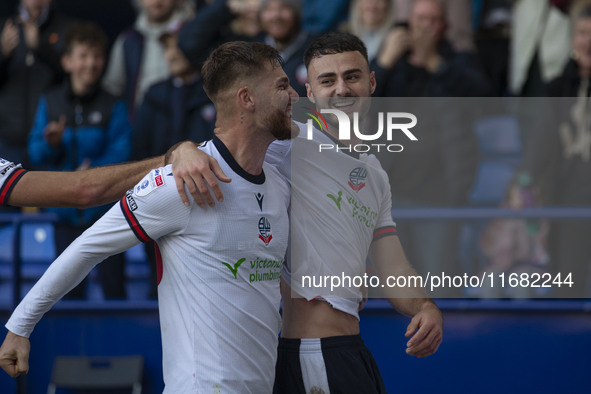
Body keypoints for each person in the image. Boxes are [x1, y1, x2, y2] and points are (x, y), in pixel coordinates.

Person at [0, 41, 296, 393]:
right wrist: (20, 326)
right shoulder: (180, 184)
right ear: (246, 99)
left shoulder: (278, 182)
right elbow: (87, 247)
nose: (295, 94)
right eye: (282, 85)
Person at [172, 32, 443, 393]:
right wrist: (181, 149)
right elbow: (221, 146)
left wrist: (424, 306)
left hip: (352, 351)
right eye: (327, 81)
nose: (341, 90)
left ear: (372, 82)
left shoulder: (375, 173)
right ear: (311, 93)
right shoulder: (284, 145)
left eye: (352, 76)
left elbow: (392, 265)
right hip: (309, 354)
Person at [28, 22, 132, 299]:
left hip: (107, 217)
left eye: (97, 56)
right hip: (64, 214)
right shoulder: (50, 102)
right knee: (66, 296)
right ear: (67, 61)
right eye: (83, 56)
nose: (92, 63)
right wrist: (52, 145)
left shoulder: (113, 104)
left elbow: (122, 153)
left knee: (114, 294)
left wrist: (93, 175)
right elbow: (34, 153)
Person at [0, 0, 72, 168]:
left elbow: (73, 78)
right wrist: (3, 54)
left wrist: (40, 48)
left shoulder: (67, 29)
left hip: (49, 140)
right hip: (6, 138)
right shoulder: (4, 26)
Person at [102, 0, 193, 120]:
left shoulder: (192, 33)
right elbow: (112, 89)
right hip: (138, 124)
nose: (156, 1)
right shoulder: (128, 40)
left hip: (185, 121)